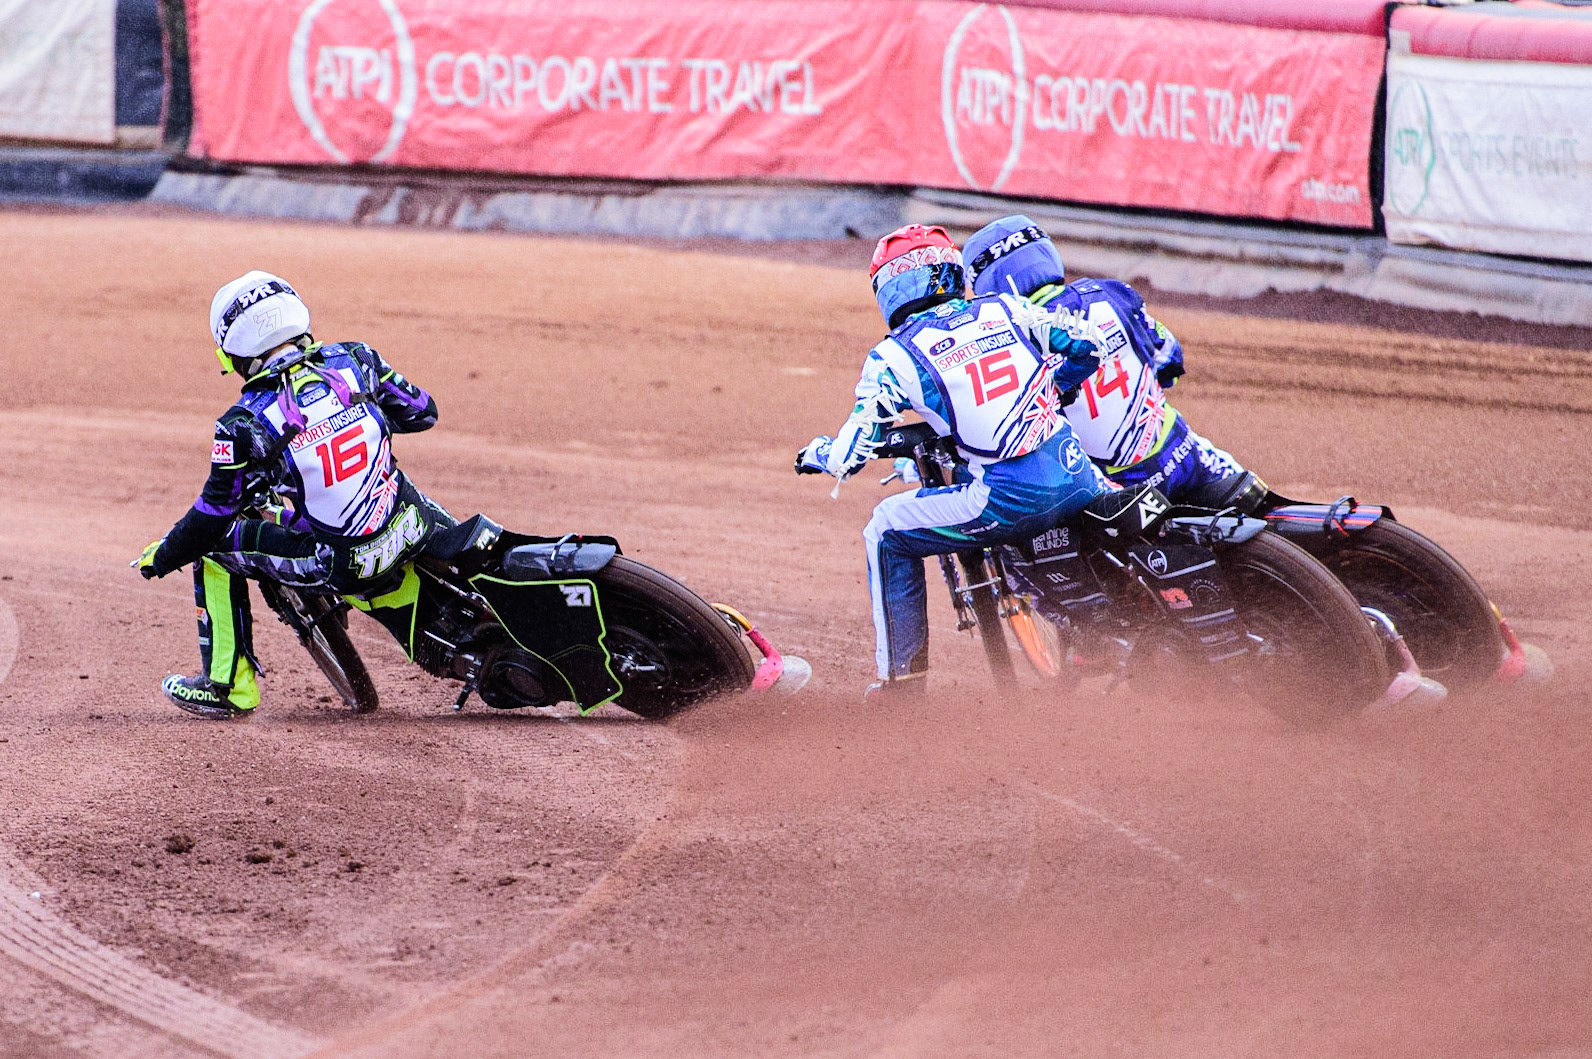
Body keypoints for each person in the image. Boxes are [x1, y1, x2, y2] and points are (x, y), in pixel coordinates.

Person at [795, 224, 1112, 699]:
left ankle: (901, 686)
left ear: (890, 288)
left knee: (885, 530)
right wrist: (1054, 388)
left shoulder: (893, 355)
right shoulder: (1005, 307)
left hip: (1006, 500)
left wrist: (818, 453)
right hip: (1079, 474)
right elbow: (1090, 345)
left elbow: (850, 454)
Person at [133, 271, 450, 719]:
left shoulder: (240, 424)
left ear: (235, 354)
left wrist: (165, 555)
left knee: (212, 552)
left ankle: (227, 687)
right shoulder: (357, 358)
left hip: (343, 564)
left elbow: (211, 517)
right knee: (391, 480)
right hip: (414, 525)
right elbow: (422, 413)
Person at [961, 215, 1255, 506]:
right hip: (1182, 454)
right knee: (1256, 501)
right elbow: (1170, 360)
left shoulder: (1004, 340)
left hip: (1115, 493)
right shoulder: (1112, 293)